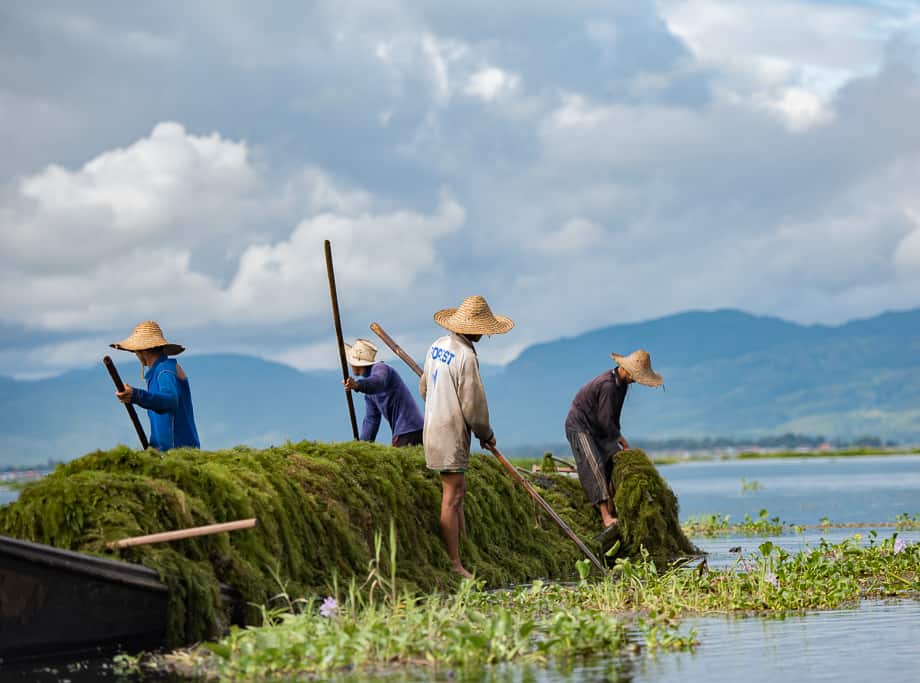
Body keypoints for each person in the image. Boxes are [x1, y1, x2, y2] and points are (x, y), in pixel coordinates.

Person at [419, 295, 513, 578]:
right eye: (482, 329)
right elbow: (473, 406)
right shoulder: (466, 356)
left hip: (433, 426)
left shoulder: (436, 346)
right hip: (451, 433)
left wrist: (439, 403)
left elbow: (424, 387)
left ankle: (465, 550)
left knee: (458, 493)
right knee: (452, 496)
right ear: (472, 329)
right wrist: (487, 433)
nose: (484, 334)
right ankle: (455, 564)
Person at [565, 349, 662, 542]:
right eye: (636, 375)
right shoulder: (608, 385)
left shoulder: (622, 386)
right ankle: (605, 516)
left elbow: (613, 418)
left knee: (612, 461)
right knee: (594, 464)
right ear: (625, 369)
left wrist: (619, 439)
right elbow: (604, 420)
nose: (636, 380)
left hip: (599, 428)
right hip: (580, 427)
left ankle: (612, 506)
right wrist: (618, 438)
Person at [111, 321, 200, 451]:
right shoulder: (160, 371)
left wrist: (136, 395)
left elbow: (170, 400)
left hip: (179, 452)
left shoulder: (165, 370)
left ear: (141, 351)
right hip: (165, 452)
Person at [342, 338, 424, 446]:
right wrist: (361, 447)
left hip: (409, 429)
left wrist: (357, 385)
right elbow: (371, 421)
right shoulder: (369, 393)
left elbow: (378, 382)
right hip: (408, 431)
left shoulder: (381, 368)